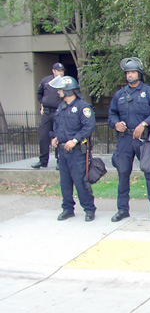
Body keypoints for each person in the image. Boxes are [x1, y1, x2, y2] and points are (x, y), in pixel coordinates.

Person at [108, 57, 150, 224]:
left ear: (139, 73)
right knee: (123, 174)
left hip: (143, 139)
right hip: (125, 139)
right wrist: (115, 123)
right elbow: (111, 113)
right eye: (127, 73)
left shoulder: (149, 92)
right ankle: (122, 209)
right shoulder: (119, 94)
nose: (130, 75)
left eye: (132, 72)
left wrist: (144, 124)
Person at [49, 75, 96, 221]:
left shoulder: (83, 107)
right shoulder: (61, 107)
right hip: (62, 151)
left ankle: (89, 209)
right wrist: (56, 137)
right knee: (65, 182)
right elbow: (57, 125)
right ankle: (68, 208)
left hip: (76, 152)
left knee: (80, 181)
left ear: (68, 90)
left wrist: (75, 140)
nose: (58, 92)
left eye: (61, 90)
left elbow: (88, 126)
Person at [32, 62, 65, 169]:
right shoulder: (46, 81)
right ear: (53, 71)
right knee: (43, 136)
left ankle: (60, 161)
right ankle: (42, 161)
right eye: (58, 71)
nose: (60, 73)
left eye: (62, 71)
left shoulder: (65, 82)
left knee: (59, 136)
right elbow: (39, 93)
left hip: (58, 112)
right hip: (47, 112)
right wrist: (42, 103)